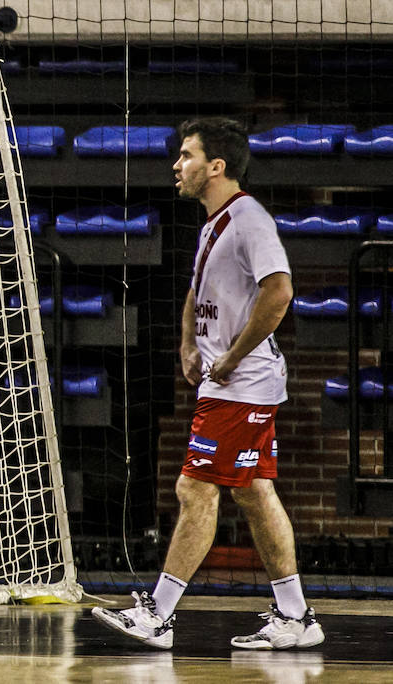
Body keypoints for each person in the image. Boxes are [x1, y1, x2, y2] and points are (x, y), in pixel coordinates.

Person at [92, 117, 324, 650]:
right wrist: (189, 345)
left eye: (187, 156)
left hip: (242, 385)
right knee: (252, 490)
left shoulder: (249, 220)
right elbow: (197, 291)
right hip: (229, 382)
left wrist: (233, 355)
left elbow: (280, 292)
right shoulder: (212, 224)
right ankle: (295, 616)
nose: (177, 165)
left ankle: (158, 614)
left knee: (194, 488)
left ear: (216, 167)